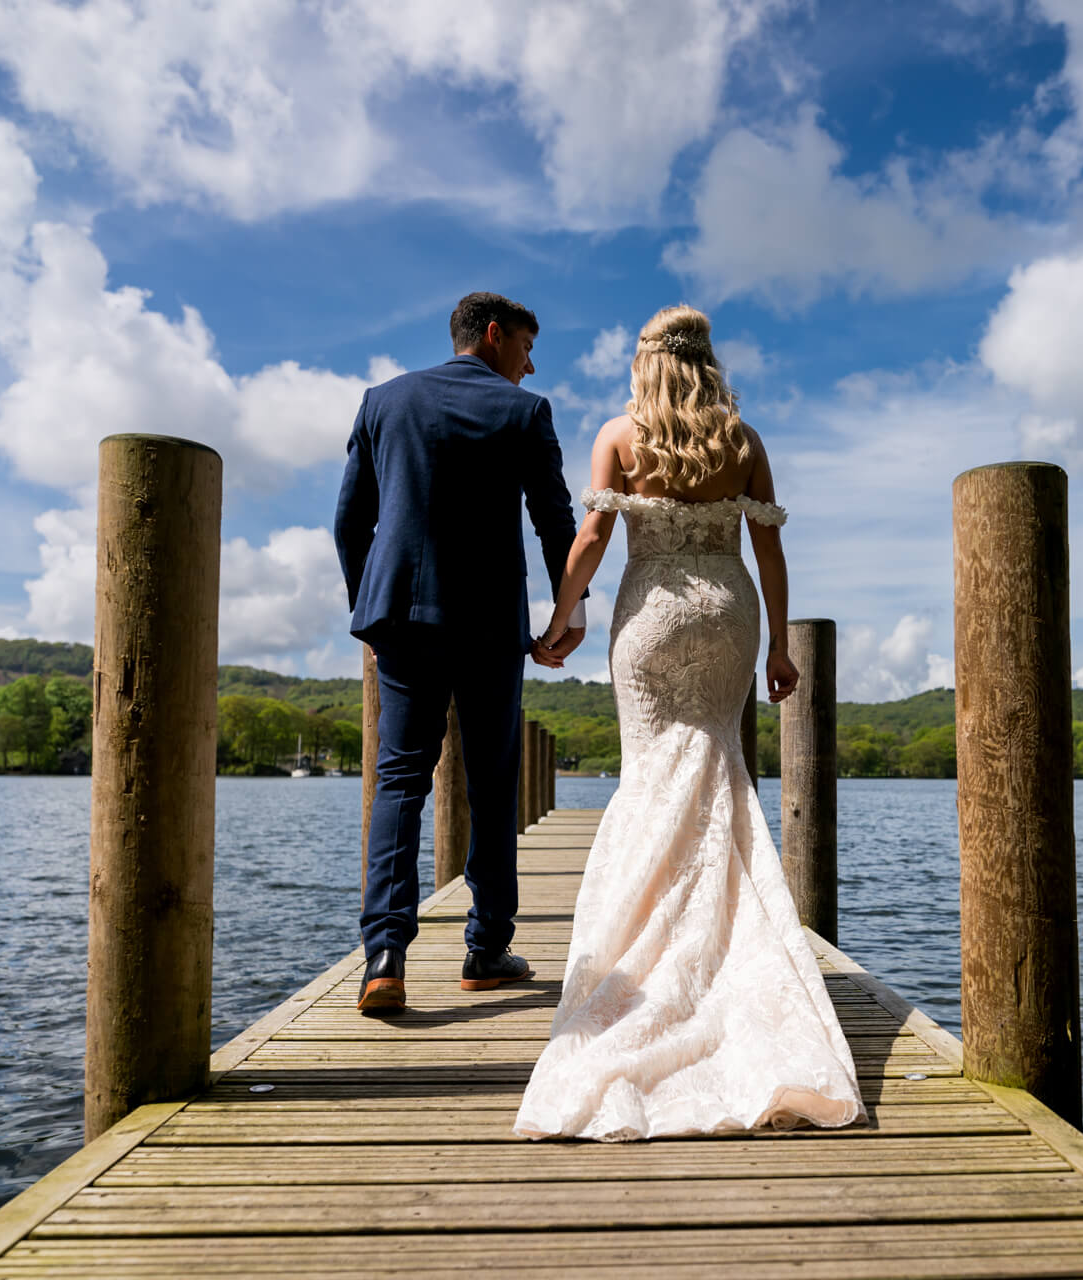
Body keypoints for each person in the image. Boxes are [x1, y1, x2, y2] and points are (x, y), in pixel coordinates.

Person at [513, 305, 864, 1141]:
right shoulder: (743, 441)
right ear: (709, 364)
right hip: (727, 611)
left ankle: (647, 957)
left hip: (653, 612)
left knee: (655, 774)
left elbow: (594, 534)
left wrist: (564, 615)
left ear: (645, 363)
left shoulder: (619, 436)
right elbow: (769, 550)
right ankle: (728, 952)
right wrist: (780, 644)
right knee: (716, 773)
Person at [334, 291, 586, 1014]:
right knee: (492, 786)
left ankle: (383, 957)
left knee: (400, 781)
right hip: (487, 626)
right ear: (496, 334)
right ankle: (485, 948)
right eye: (528, 349)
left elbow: (351, 520)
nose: (530, 366)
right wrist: (566, 617)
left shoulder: (383, 401)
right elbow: (553, 522)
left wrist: (369, 615)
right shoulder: (524, 412)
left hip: (403, 619)